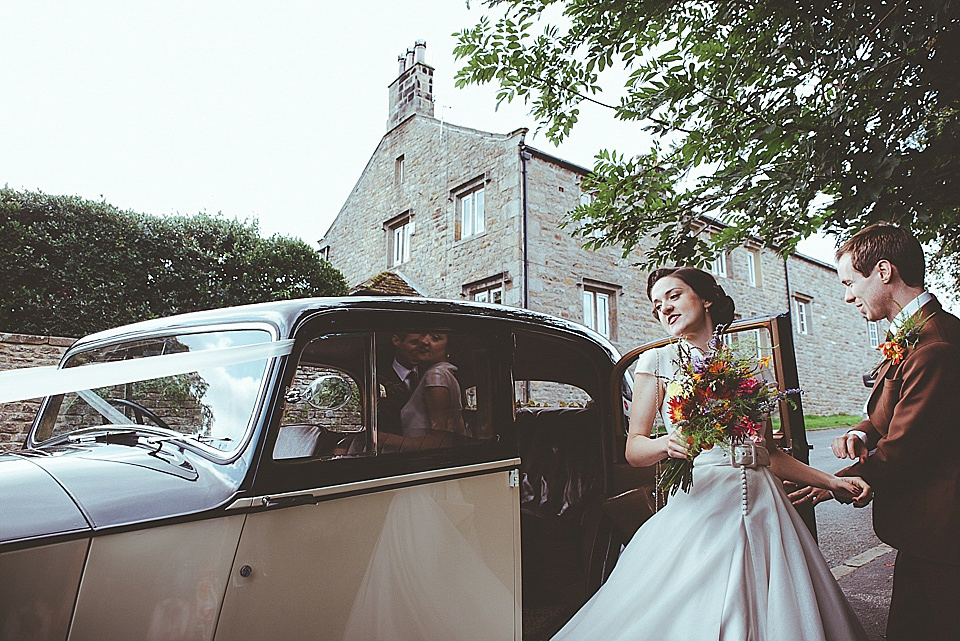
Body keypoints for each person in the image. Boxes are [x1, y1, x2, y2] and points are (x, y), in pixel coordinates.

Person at [550, 266, 870, 641]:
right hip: (702, 502)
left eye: (673, 296)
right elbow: (634, 447)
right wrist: (665, 445)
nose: (664, 308)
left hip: (766, 505)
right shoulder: (656, 363)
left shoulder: (748, 367)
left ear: (706, 299)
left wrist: (832, 480)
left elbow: (768, 452)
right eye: (657, 304)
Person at [796, 223, 960, 641]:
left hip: (945, 532)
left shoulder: (935, 343)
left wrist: (837, 480)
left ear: (884, 271)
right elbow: (894, 412)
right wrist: (862, 433)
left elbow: (906, 447)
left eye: (851, 282)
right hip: (926, 529)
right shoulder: (914, 333)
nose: (847, 295)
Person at [399, 332, 466, 441]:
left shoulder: (436, 375)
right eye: (423, 334)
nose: (424, 341)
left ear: (449, 348)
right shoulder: (447, 372)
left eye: (435, 338)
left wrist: (384, 439)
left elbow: (439, 442)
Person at [377, 333, 428, 434]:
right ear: (396, 341)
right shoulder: (378, 378)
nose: (419, 349)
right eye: (414, 343)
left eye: (423, 345)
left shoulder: (430, 375)